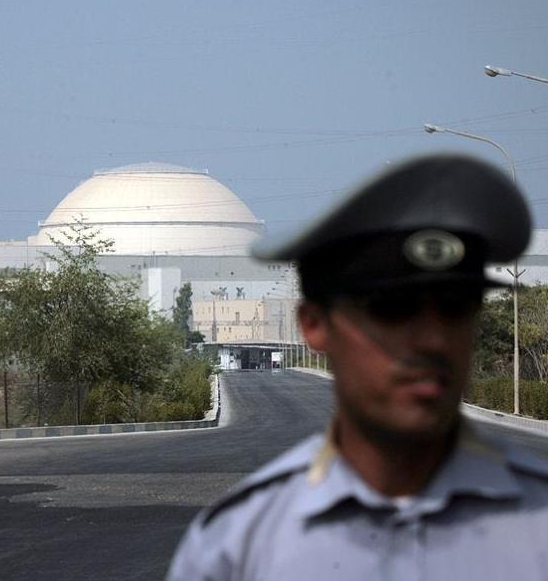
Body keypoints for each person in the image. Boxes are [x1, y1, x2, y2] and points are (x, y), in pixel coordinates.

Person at [167, 152, 548, 580]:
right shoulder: (240, 547)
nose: (432, 340)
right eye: (392, 311)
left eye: (456, 308)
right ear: (314, 326)